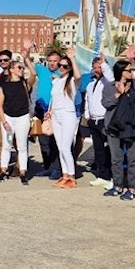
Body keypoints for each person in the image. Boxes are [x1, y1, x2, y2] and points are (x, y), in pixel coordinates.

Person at [102, 60, 135, 200]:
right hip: (114, 125)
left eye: (132, 70)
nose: (131, 72)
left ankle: (133, 188)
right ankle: (117, 185)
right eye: (128, 70)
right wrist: (117, 94)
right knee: (116, 158)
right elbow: (106, 103)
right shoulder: (110, 86)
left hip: (133, 125)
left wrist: (129, 93)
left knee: (133, 158)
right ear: (120, 71)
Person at [0, 54, 36, 184]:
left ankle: (23, 172)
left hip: (22, 117)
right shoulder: (4, 85)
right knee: (6, 145)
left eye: (22, 68)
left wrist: (26, 58)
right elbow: (0, 105)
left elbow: (34, 74)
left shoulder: (24, 84)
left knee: (22, 146)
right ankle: (3, 171)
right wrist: (4, 121)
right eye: (19, 67)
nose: (21, 69)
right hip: (8, 117)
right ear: (11, 69)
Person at [45, 47, 81, 188]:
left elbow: (78, 76)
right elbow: (54, 99)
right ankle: (65, 175)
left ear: (70, 68)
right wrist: (49, 112)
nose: (61, 68)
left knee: (66, 147)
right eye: (60, 65)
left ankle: (72, 176)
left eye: (65, 66)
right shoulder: (57, 81)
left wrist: (72, 59)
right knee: (60, 147)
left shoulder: (72, 81)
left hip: (68, 115)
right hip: (56, 115)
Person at [83, 56, 114, 187]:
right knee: (99, 149)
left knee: (108, 149)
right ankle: (102, 175)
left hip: (104, 119)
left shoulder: (108, 82)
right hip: (93, 120)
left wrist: (104, 64)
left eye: (99, 67)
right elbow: (87, 100)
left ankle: (111, 176)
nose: (97, 70)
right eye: (95, 68)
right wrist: (87, 114)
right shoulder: (90, 84)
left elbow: (111, 77)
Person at [31, 44, 62, 178]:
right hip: (40, 109)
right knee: (43, 141)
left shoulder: (63, 74)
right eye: (50, 61)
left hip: (55, 111)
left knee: (54, 141)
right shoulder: (42, 70)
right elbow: (30, 67)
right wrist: (26, 54)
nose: (52, 63)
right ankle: (47, 166)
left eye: (55, 61)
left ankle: (56, 168)